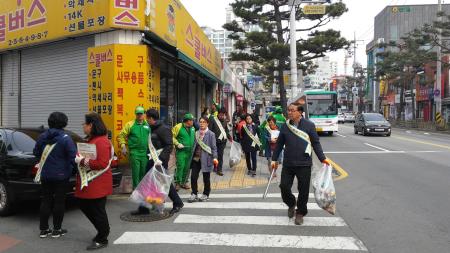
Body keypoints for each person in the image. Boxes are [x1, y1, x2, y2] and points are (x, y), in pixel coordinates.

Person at [271, 103, 329, 226]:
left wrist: (322, 158)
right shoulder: (285, 127)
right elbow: (279, 144)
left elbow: (316, 143)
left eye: (292, 110)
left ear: (300, 112)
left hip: (304, 163)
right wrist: (274, 159)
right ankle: (291, 203)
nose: (290, 112)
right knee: (284, 186)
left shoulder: (309, 125)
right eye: (289, 110)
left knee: (303, 190)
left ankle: (300, 213)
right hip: (288, 163)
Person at [33, 112, 76, 239]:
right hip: (62, 175)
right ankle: (57, 230)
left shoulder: (42, 137)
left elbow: (36, 152)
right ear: (64, 123)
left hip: (45, 174)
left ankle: (44, 230)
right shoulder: (66, 138)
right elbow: (73, 158)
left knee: (45, 200)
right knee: (59, 201)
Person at [74, 113, 113, 250]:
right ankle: (102, 231)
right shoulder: (93, 139)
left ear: (91, 125)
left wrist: (82, 161)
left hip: (98, 183)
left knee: (97, 210)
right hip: (91, 182)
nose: (83, 126)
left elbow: (101, 163)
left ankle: (103, 236)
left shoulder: (101, 141)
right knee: (85, 205)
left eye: (84, 124)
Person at [145, 109, 184, 214]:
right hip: (151, 159)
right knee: (151, 181)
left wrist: (161, 160)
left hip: (160, 161)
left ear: (151, 118)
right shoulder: (152, 128)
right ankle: (155, 202)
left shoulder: (163, 129)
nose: (146, 120)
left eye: (147, 118)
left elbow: (169, 145)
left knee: (164, 183)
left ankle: (177, 202)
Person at [117, 106, 151, 215]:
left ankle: (144, 195)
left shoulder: (148, 124)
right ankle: (138, 195)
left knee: (144, 174)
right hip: (135, 153)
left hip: (146, 153)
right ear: (135, 114)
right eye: (138, 114)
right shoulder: (130, 124)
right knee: (136, 174)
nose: (140, 116)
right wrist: (123, 146)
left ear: (144, 114)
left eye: (141, 114)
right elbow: (121, 135)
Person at [188, 116, 218, 203]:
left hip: (207, 159)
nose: (201, 124)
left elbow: (214, 148)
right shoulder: (196, 133)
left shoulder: (211, 134)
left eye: (204, 122)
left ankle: (206, 194)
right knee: (193, 177)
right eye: (200, 122)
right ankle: (194, 193)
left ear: (207, 123)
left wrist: (215, 157)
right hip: (196, 158)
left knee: (206, 178)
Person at [172, 113, 196, 190]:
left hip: (190, 152)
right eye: (192, 120)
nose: (193, 122)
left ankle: (184, 182)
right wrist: (177, 143)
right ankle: (178, 183)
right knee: (180, 167)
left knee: (187, 167)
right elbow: (171, 136)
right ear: (187, 121)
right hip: (181, 152)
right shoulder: (178, 127)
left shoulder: (192, 128)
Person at [208, 107, 232, 176]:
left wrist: (229, 137)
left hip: (222, 142)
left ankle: (219, 170)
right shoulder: (213, 120)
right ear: (218, 114)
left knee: (220, 155)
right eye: (220, 114)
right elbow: (209, 130)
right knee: (215, 155)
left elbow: (226, 130)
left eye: (223, 115)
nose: (221, 116)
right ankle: (215, 166)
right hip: (214, 141)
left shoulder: (224, 121)